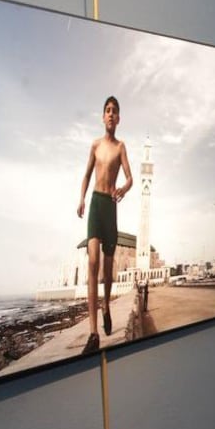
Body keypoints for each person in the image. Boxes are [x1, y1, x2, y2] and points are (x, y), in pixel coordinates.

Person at [76, 96, 133, 355]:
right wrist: (81, 199)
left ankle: (106, 306)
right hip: (96, 204)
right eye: (107, 111)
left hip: (111, 207)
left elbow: (130, 178)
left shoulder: (121, 147)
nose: (111, 114)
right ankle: (93, 333)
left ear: (118, 119)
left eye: (114, 112)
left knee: (108, 271)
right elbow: (87, 174)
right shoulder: (95, 145)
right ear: (103, 117)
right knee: (92, 264)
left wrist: (122, 188)